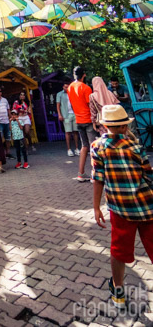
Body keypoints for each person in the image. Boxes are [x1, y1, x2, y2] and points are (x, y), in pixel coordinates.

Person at [91, 104, 153, 309]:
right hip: (146, 206)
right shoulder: (135, 147)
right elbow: (149, 175)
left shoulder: (97, 147)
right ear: (125, 127)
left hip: (119, 209)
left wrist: (96, 207)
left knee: (118, 251)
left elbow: (98, 179)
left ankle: (118, 291)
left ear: (104, 126)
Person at [68, 66, 96, 182]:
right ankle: (95, 174)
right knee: (93, 146)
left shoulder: (70, 87)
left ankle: (81, 173)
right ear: (84, 75)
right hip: (88, 120)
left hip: (78, 120)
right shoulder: (86, 88)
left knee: (84, 146)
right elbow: (91, 105)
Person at [56, 81, 80, 156]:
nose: (67, 88)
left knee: (76, 131)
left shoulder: (73, 93)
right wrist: (60, 115)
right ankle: (69, 149)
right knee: (68, 132)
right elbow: (58, 105)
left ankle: (76, 148)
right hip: (66, 114)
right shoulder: (60, 94)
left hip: (74, 113)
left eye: (68, 87)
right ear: (63, 87)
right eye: (65, 87)